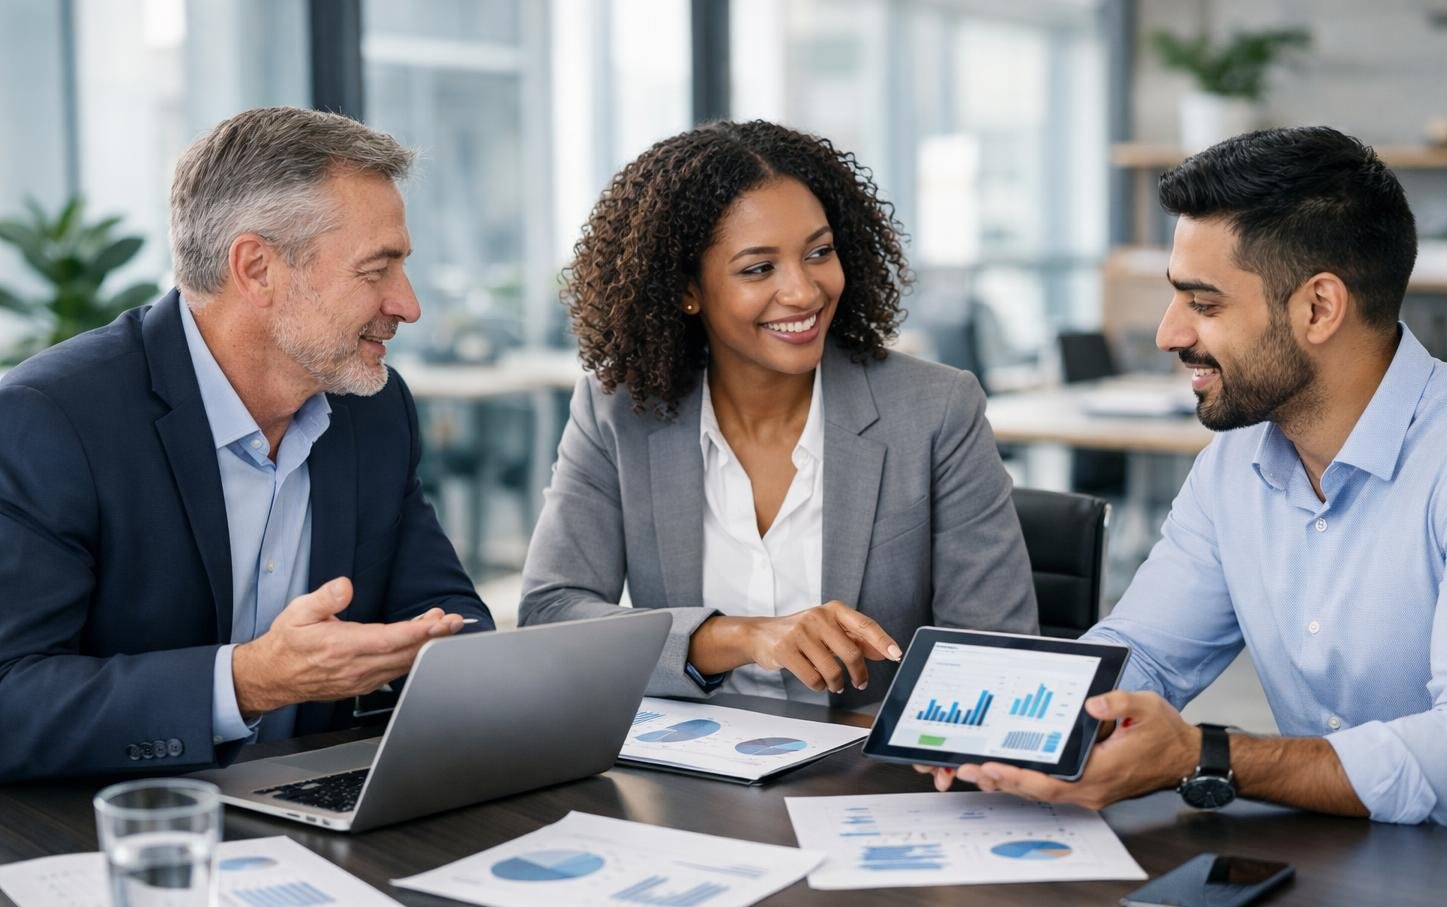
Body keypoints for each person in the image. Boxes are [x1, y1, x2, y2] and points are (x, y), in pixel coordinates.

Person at [919, 127, 1447, 844]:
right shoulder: (1236, 461)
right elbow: (1141, 653)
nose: (1167, 334)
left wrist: (1209, 755)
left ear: (1318, 308)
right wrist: (1001, 728)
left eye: (1203, 305)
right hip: (1338, 865)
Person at [0, 106, 492, 782]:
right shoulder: (50, 419)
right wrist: (248, 681)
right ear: (257, 269)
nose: (408, 305)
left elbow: (445, 618)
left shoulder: (373, 411)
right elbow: (10, 701)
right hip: (124, 828)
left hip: (319, 811)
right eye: (377, 270)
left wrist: (501, 695)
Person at [519, 120, 1036, 707]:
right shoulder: (619, 410)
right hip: (686, 776)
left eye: (819, 253)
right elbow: (550, 612)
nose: (804, 291)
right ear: (686, 289)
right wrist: (735, 637)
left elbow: (997, 649)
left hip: (870, 773)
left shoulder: (935, 409)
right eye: (758, 268)